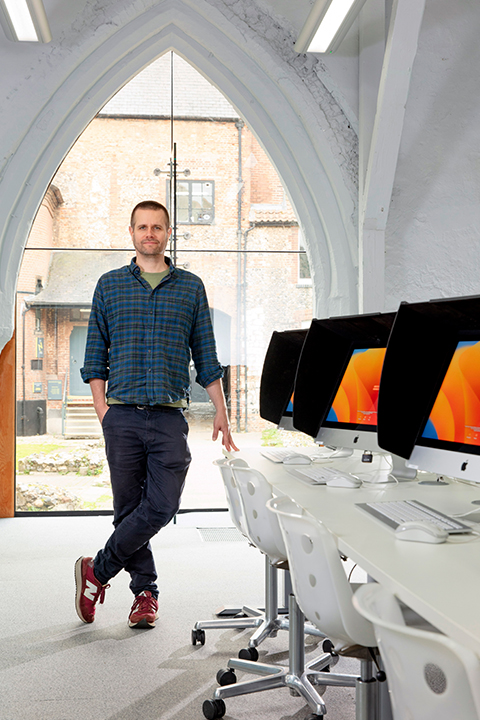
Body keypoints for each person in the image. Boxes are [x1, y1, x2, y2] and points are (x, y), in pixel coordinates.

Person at [75, 200, 238, 629]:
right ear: (131, 232)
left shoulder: (190, 287)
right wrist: (102, 411)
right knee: (128, 509)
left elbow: (207, 356)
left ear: (168, 233)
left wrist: (222, 412)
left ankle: (98, 572)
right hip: (122, 416)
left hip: (168, 417)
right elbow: (95, 355)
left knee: (162, 506)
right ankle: (145, 593)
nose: (150, 233)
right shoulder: (109, 286)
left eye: (157, 227)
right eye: (142, 227)